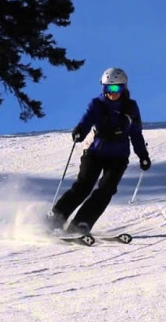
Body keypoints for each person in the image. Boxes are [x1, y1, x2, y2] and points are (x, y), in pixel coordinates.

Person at [47, 67, 151, 234]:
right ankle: (55, 219)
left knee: (106, 190)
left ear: (123, 88)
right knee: (84, 186)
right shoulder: (97, 104)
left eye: (116, 88)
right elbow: (87, 120)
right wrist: (80, 130)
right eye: (107, 88)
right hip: (95, 152)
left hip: (118, 156)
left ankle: (81, 223)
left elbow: (136, 133)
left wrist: (143, 155)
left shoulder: (130, 107)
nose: (112, 93)